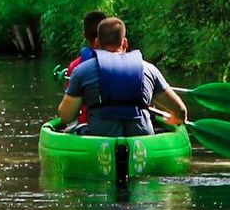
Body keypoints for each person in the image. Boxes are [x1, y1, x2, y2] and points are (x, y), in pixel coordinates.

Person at [57, 17, 189, 136]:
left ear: (97, 43)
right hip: (142, 139)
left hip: (100, 138)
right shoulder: (149, 69)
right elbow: (180, 110)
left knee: (72, 130)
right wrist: (174, 120)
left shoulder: (81, 71)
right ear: (125, 43)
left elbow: (66, 117)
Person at [61, 10, 108, 125]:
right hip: (129, 125)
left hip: (90, 125)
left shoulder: (76, 67)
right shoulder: (131, 64)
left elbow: (68, 114)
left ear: (84, 35)